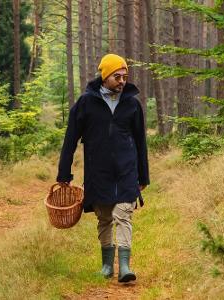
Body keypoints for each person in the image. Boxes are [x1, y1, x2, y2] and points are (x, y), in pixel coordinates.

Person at [56, 54, 149, 283]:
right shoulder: (86, 103)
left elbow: (141, 142)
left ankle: (125, 266)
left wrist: (143, 175)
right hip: (98, 172)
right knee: (105, 217)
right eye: (117, 76)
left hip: (127, 170)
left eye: (125, 76)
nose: (122, 81)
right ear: (105, 76)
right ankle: (107, 265)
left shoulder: (132, 104)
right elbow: (70, 140)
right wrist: (64, 174)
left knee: (123, 214)